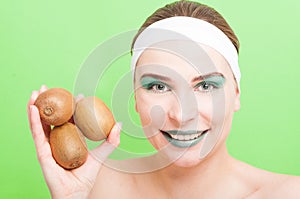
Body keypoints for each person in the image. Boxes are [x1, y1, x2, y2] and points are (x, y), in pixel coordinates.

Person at [27, 1, 300, 198]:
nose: (182, 115)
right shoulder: (94, 187)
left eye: (205, 85)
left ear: (236, 94)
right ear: (135, 99)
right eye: (158, 86)